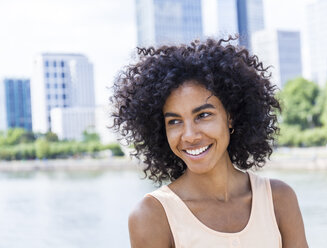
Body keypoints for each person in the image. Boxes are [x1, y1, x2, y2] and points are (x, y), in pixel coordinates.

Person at [111, 37, 308, 248]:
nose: (189, 135)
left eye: (203, 115)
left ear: (230, 116)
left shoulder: (279, 199)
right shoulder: (152, 216)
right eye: (174, 121)